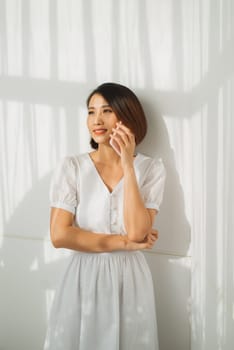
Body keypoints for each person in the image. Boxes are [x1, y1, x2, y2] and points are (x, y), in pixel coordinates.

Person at [44, 82, 166, 350]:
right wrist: (124, 243)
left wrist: (128, 166)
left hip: (130, 279)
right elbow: (59, 235)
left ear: (127, 116)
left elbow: (136, 232)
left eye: (107, 111)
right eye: (90, 112)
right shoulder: (72, 167)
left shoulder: (152, 169)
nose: (96, 120)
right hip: (83, 277)